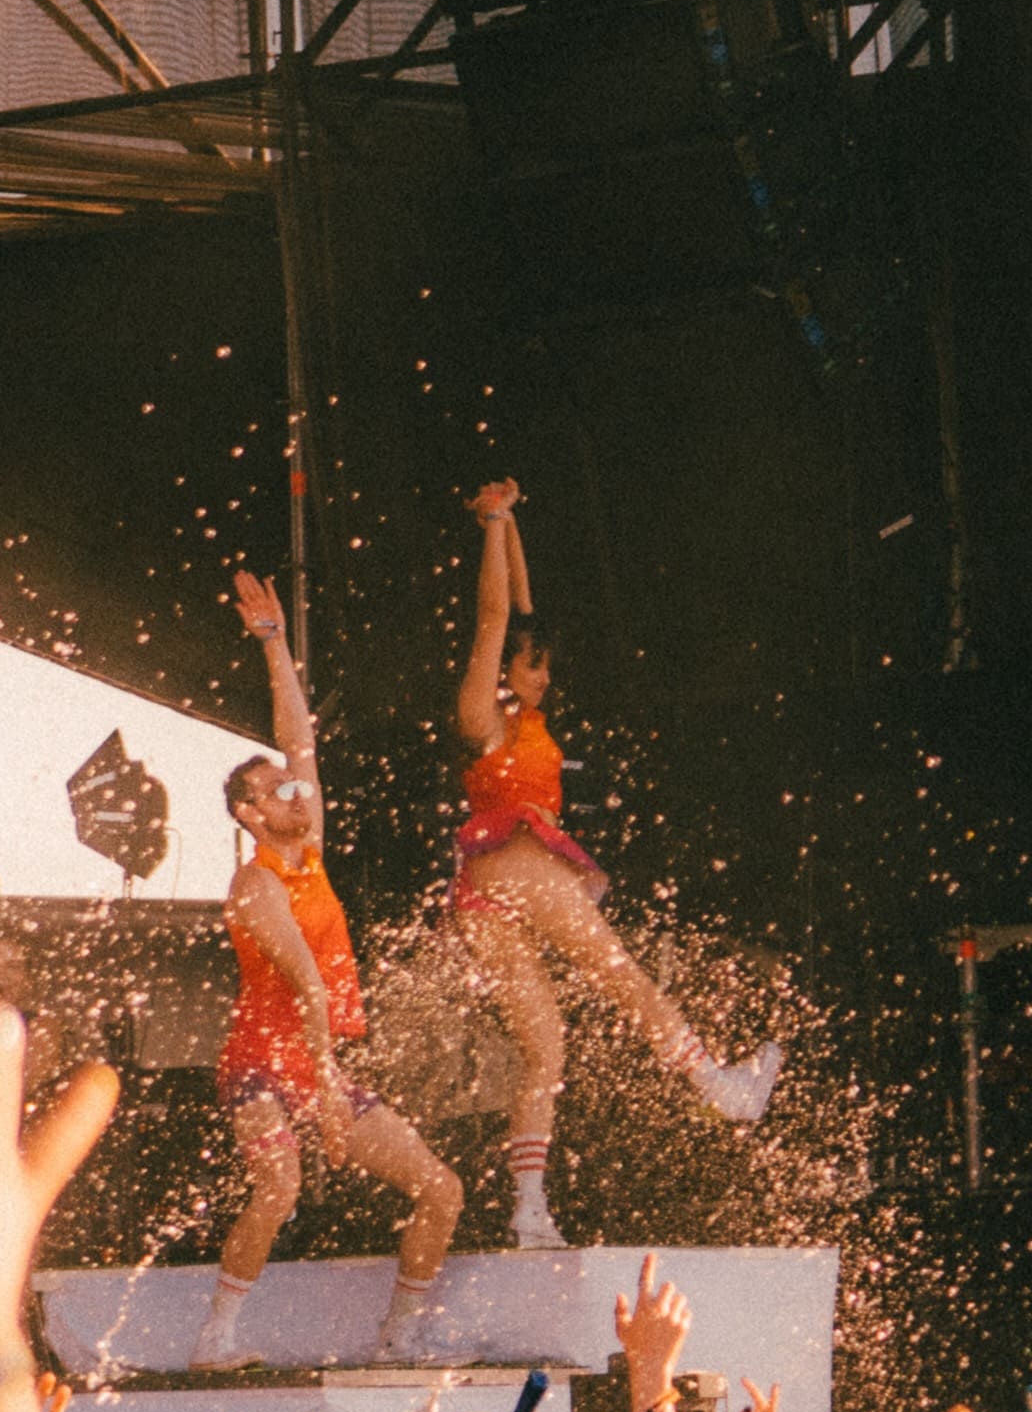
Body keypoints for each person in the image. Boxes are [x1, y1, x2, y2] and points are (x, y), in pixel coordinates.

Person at [447, 480, 778, 1248]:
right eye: (534, 669)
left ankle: (528, 1208)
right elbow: (494, 619)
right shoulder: (481, 720)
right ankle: (716, 1086)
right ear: (505, 672)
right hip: (516, 866)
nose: (545, 677)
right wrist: (491, 523)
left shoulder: (522, 720)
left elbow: (521, 612)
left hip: (481, 897)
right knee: (624, 979)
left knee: (546, 1048)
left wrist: (512, 523)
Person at [202, 568, 463, 1361]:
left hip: (312, 1064)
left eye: (293, 787)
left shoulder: (306, 851)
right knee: (277, 1189)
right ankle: (215, 1340)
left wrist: (274, 644)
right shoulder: (256, 884)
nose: (295, 790)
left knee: (441, 1190)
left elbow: (298, 737)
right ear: (249, 815)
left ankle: (398, 1337)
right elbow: (308, 990)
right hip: (259, 1064)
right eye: (275, 791)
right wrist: (321, 1099)